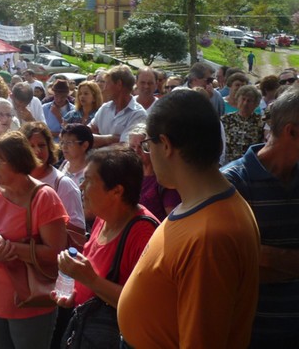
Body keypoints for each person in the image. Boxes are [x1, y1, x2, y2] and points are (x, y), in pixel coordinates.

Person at [117, 89, 261, 348]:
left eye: (149, 145)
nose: (148, 154)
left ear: (167, 145)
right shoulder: (202, 203)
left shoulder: (210, 238)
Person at [0, 132, 68, 349]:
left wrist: (9, 248)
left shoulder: (44, 197)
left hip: (29, 300)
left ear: (18, 161)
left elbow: (56, 252)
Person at [52, 147, 158, 348]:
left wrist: (89, 279)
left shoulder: (145, 234)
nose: (81, 187)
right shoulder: (103, 217)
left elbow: (145, 307)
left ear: (117, 191)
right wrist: (73, 292)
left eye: (89, 180)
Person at [222, 89, 299, 347]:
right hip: (252, 336)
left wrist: (266, 256)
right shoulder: (232, 182)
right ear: (291, 132)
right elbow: (232, 267)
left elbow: (251, 259)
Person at [20, 122, 86, 245]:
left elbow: (79, 231)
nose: (37, 151)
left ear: (49, 147)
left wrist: (47, 225)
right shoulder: (16, 179)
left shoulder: (64, 185)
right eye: (31, 146)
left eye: (41, 145)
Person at [127, 124, 180, 221]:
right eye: (132, 147)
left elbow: (173, 219)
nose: (136, 151)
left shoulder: (164, 181)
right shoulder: (128, 176)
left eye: (142, 147)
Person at [89, 65, 147, 147]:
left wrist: (96, 139)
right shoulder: (105, 108)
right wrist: (110, 139)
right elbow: (85, 134)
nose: (104, 88)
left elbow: (123, 148)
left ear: (119, 84)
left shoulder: (138, 114)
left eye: (107, 83)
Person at [221, 84, 265, 163]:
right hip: (227, 165)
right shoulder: (225, 120)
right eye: (243, 99)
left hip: (250, 165)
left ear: (256, 104)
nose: (245, 103)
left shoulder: (260, 122)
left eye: (249, 101)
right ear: (237, 100)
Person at [57, 123, 93, 188]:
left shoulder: (91, 172)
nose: (64, 147)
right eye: (62, 142)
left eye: (69, 143)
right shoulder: (64, 164)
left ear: (84, 145)